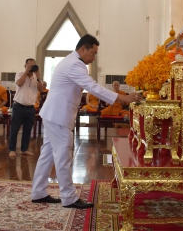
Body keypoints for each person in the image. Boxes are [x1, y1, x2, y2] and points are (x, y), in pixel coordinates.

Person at [31, 34, 143, 209]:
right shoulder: (75, 64)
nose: (94, 57)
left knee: (47, 154)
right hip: (58, 116)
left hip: (53, 114)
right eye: (93, 53)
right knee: (63, 155)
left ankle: (38, 192)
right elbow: (93, 87)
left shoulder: (70, 61)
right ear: (83, 49)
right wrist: (125, 98)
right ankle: (69, 198)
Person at [9, 58, 44, 157]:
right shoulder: (19, 74)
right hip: (18, 106)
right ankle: (12, 149)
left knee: (28, 129)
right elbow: (19, 83)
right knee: (14, 129)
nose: (32, 68)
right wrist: (26, 72)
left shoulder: (35, 77)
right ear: (25, 66)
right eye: (30, 66)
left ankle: (24, 149)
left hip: (30, 108)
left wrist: (38, 77)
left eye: (34, 66)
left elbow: (41, 89)